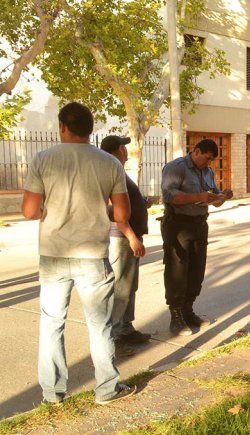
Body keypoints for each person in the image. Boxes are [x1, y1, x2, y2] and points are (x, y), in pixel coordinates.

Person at [21, 102, 135, 405]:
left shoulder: (43, 159)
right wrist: (98, 209)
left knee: (51, 323)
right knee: (99, 325)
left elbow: (30, 211)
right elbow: (122, 215)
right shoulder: (109, 163)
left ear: (62, 127)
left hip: (53, 255)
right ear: (91, 129)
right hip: (93, 257)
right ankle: (107, 389)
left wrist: (51, 209)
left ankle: (52, 393)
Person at [160, 139, 233, 336]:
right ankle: (176, 316)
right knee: (177, 270)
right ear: (197, 151)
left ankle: (188, 310)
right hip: (178, 224)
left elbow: (214, 199)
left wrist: (223, 196)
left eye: (211, 160)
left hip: (199, 225)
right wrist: (198, 197)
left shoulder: (208, 171)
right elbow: (169, 196)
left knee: (196, 270)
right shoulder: (176, 168)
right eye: (206, 159)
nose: (208, 164)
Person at [100, 136, 151, 348]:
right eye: (124, 146)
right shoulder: (111, 170)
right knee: (121, 287)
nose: (126, 149)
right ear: (119, 149)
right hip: (122, 238)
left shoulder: (117, 170)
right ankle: (114, 333)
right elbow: (115, 210)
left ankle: (125, 328)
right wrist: (131, 237)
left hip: (128, 236)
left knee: (129, 286)